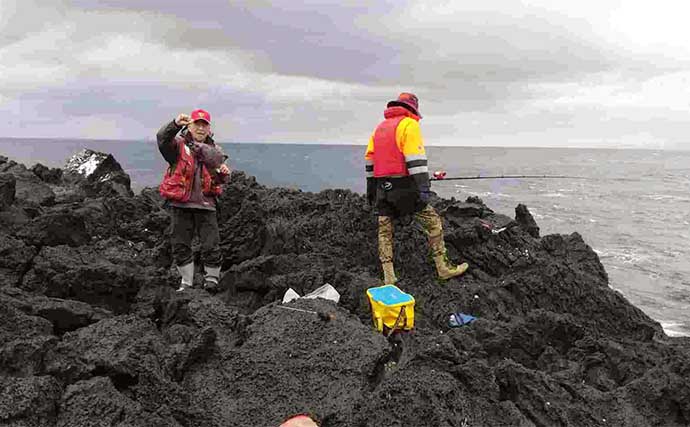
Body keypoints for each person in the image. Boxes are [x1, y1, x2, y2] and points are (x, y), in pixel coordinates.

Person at [364, 93, 468, 285]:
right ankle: (443, 268)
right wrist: (423, 189)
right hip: (403, 188)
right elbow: (416, 161)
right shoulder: (409, 125)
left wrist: (371, 190)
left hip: (381, 187)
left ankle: (389, 276)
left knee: (385, 231)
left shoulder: (379, 128)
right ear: (413, 109)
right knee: (433, 223)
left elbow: (370, 160)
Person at [157, 109, 231, 292]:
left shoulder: (215, 151)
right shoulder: (178, 147)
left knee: (211, 245)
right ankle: (186, 283)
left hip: (207, 205)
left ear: (209, 128)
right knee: (180, 244)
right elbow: (162, 140)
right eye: (197, 124)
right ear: (189, 126)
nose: (200, 128)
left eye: (204, 124)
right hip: (180, 204)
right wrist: (174, 124)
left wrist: (224, 176)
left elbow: (219, 178)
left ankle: (212, 280)